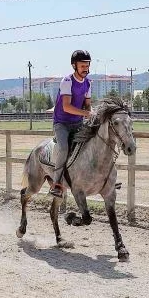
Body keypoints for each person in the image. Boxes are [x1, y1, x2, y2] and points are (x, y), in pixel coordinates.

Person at [49, 50, 92, 198]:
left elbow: (87, 106)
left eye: (87, 65)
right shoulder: (67, 81)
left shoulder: (87, 83)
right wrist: (86, 114)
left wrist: (91, 115)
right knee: (63, 148)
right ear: (74, 66)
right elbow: (66, 107)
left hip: (78, 123)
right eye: (82, 65)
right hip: (62, 123)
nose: (85, 68)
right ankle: (57, 184)